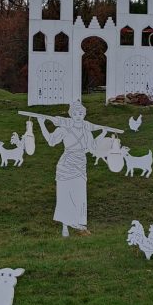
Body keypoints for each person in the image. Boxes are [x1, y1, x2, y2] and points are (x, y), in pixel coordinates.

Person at [37, 100, 96, 237]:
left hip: (80, 165)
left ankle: (80, 225)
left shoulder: (87, 130)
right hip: (66, 166)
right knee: (65, 196)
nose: (78, 115)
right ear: (70, 114)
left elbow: (92, 147)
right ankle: (65, 227)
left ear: (84, 114)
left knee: (80, 196)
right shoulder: (64, 128)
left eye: (81, 113)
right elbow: (51, 141)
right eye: (75, 113)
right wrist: (41, 123)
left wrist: (104, 133)